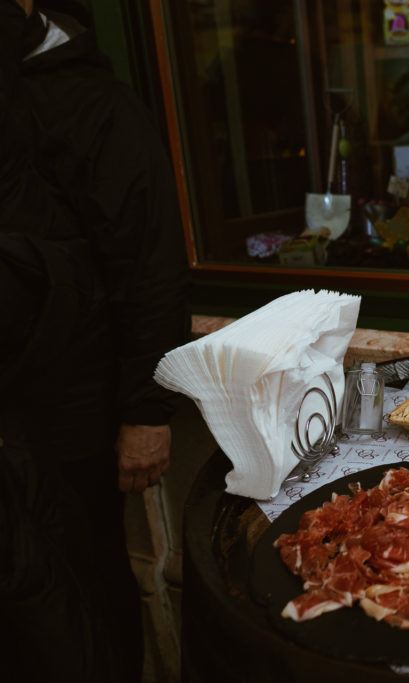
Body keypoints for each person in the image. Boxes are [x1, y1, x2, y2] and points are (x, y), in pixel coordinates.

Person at [1, 0, 190, 679]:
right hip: (15, 408)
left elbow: (151, 261)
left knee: (82, 585)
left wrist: (146, 412)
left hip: (71, 409)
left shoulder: (92, 102)